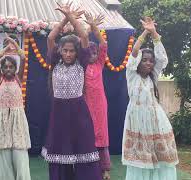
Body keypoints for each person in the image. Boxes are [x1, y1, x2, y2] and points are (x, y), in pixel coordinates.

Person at [41, 2, 102, 180]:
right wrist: (63, 20)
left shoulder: (81, 63)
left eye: (71, 51)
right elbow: (50, 39)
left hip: (79, 113)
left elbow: (83, 36)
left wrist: (72, 18)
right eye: (65, 51)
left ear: (77, 53)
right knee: (60, 154)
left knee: (83, 152)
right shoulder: (55, 62)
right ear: (59, 51)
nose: (68, 54)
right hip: (59, 113)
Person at [122, 17, 179, 180]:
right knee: (141, 159)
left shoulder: (153, 76)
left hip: (156, 121)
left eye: (150, 61)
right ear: (138, 62)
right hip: (137, 121)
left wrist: (154, 33)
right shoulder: (132, 75)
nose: (149, 63)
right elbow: (133, 54)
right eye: (145, 60)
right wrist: (145, 32)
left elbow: (162, 58)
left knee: (160, 157)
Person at [0, 39, 31, 179]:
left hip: (17, 119)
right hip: (3, 120)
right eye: (5, 67)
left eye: (11, 67)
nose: (7, 69)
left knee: (19, 152)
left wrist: (15, 44)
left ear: (15, 68)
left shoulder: (18, 78)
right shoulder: (0, 79)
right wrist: (6, 50)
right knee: (5, 153)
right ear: (1, 69)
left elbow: (23, 57)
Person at [84, 12, 111, 180]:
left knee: (101, 135)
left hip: (100, 104)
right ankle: (88, 168)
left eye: (95, 53)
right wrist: (88, 29)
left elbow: (103, 44)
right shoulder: (81, 64)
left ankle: (105, 170)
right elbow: (81, 42)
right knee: (87, 134)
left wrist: (94, 28)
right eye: (89, 53)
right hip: (85, 104)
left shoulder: (100, 64)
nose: (93, 56)